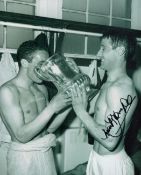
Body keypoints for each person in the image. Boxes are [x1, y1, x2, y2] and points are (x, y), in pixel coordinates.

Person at [70, 30, 138, 175]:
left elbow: (109, 141)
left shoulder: (120, 89)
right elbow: (87, 106)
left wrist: (80, 112)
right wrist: (72, 75)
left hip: (112, 165)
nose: (98, 54)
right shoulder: (108, 84)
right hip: (97, 158)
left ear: (120, 51)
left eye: (103, 48)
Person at [0, 40, 72, 175]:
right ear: (24, 63)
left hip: (45, 152)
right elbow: (21, 136)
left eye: (46, 65)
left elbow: (48, 128)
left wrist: (70, 104)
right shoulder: (8, 91)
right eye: (40, 64)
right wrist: (52, 107)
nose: (45, 69)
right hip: (23, 157)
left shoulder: (41, 89)